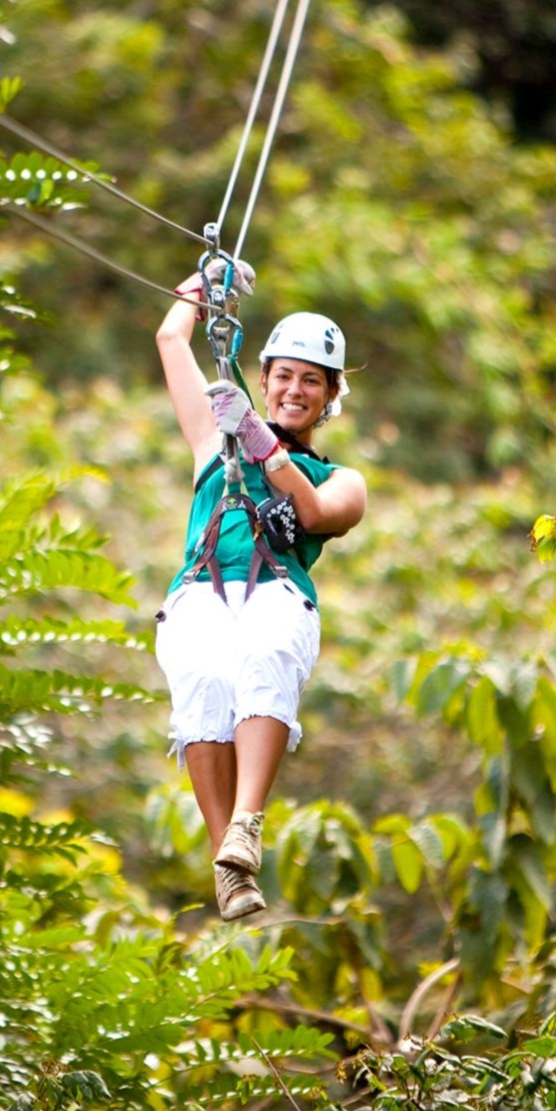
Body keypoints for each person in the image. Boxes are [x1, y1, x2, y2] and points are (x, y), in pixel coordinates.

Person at [153, 262, 368, 920]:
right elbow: (171, 339)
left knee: (264, 657)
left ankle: (247, 820)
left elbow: (315, 514)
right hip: (199, 590)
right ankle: (229, 862)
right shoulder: (211, 442)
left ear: (329, 397)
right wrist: (202, 286)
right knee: (202, 686)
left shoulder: (341, 479)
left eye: (311, 381)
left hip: (276, 592)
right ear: (266, 379)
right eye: (284, 376)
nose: (294, 390)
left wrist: (264, 449)